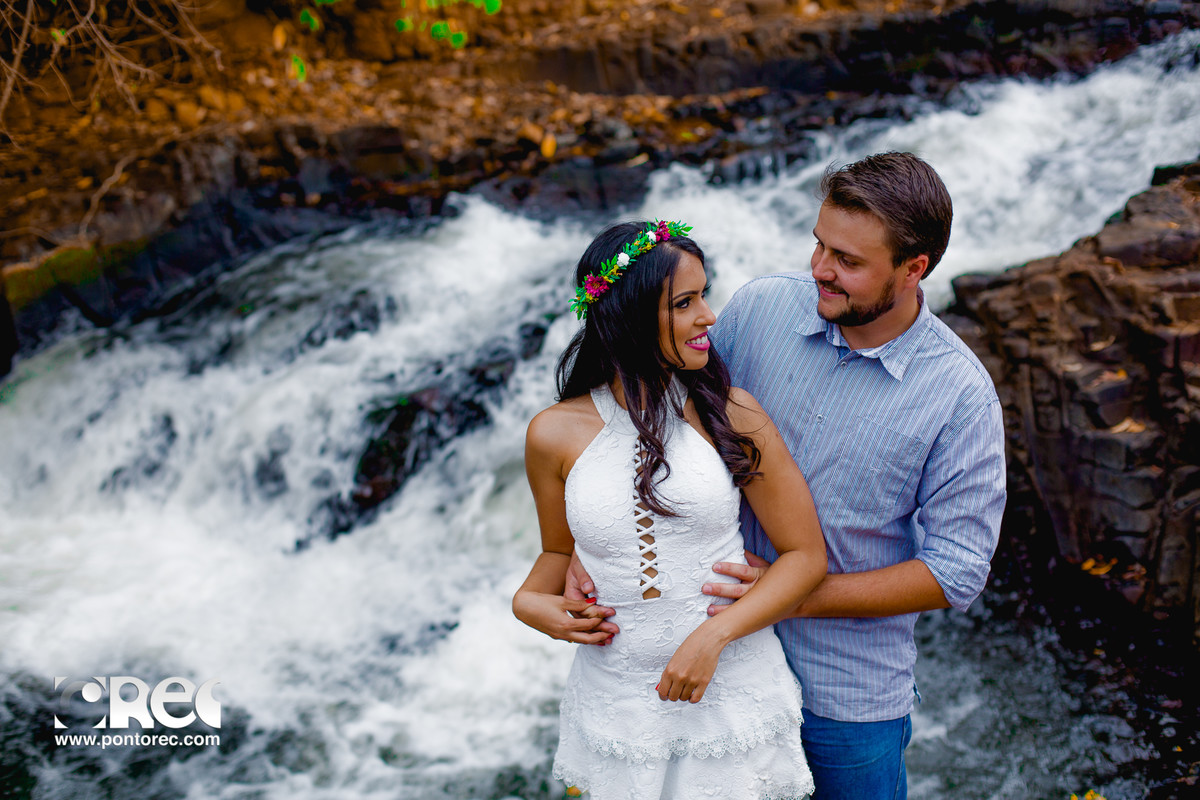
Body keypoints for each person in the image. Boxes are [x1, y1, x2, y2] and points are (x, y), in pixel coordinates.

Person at [569, 152, 1007, 799]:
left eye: (848, 262)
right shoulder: (759, 310)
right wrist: (583, 548)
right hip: (710, 669)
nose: (820, 271)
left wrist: (794, 591)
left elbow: (957, 569)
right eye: (819, 245)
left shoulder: (961, 396)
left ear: (915, 269)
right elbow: (648, 415)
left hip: (845, 696)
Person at [512, 219, 828, 800]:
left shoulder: (732, 413)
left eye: (704, 294)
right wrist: (530, 606)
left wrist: (714, 638)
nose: (709, 316)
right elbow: (558, 553)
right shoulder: (552, 435)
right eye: (685, 303)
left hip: (733, 692)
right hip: (617, 705)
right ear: (628, 318)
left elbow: (805, 557)